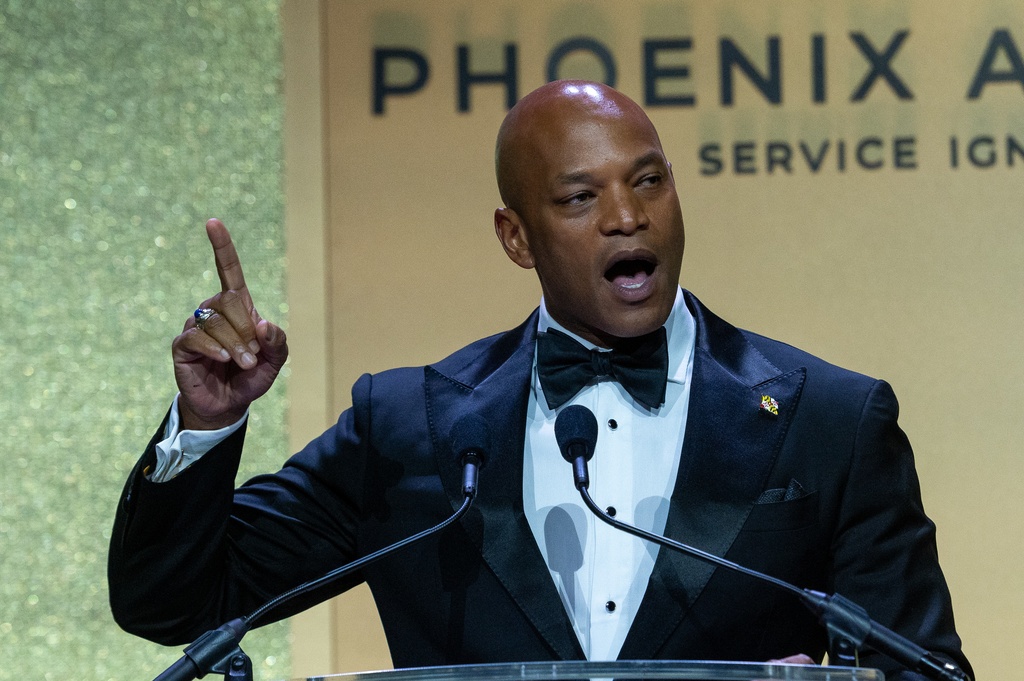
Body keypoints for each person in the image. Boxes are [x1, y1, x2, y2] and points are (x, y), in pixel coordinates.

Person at [108, 81, 971, 680]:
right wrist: (207, 423)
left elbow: (927, 668)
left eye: (648, 182)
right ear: (516, 237)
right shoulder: (409, 426)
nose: (627, 216)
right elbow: (176, 603)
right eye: (579, 198)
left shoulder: (831, 420)